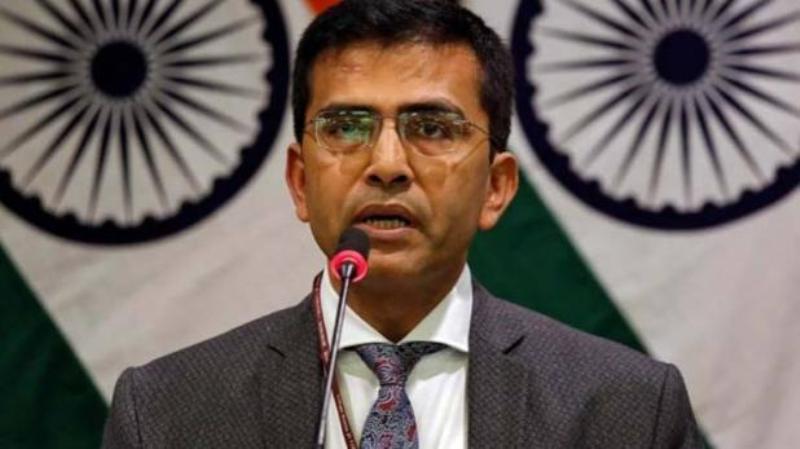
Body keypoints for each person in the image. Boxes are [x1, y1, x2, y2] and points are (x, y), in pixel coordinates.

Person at [102, 1, 704, 448]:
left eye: (433, 128)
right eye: (346, 127)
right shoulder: (166, 413)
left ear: (496, 188)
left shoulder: (626, 408)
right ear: (300, 181)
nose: (387, 164)